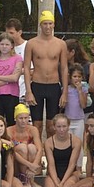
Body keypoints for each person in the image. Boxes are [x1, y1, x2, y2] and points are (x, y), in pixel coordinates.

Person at [24, 10, 68, 138]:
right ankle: (37, 154)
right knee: (36, 125)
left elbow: (64, 68)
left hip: (53, 86)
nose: (48, 27)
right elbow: (26, 67)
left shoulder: (60, 44)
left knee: (51, 126)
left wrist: (64, 92)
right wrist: (28, 91)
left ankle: (50, 154)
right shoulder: (32, 43)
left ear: (54, 25)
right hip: (37, 85)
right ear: (40, 25)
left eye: (50, 23)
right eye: (45, 24)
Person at [0, 32, 23, 126]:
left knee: (11, 121)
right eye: (2, 44)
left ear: (12, 46)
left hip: (12, 94)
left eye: (7, 44)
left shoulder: (17, 58)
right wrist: (8, 79)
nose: (4, 47)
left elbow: (15, 78)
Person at [7, 103, 42, 187]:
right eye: (21, 118)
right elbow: (12, 153)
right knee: (22, 147)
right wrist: (30, 165)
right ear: (15, 118)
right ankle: (24, 180)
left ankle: (31, 181)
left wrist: (34, 164)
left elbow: (40, 149)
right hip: (15, 163)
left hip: (32, 165)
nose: (23, 121)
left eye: (26, 118)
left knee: (32, 147)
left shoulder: (33, 129)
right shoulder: (9, 131)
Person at [44, 114, 81, 187]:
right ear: (54, 127)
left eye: (64, 126)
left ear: (68, 126)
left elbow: (72, 164)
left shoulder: (76, 141)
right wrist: (56, 183)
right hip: (53, 174)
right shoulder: (48, 143)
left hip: (71, 174)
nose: (62, 130)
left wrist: (62, 182)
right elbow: (51, 165)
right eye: (59, 127)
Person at [4, 18, 28, 101]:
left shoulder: (28, 46)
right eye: (7, 33)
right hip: (7, 91)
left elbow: (33, 70)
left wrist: (15, 72)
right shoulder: (4, 48)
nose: (8, 36)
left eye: (11, 33)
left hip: (23, 92)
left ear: (20, 32)